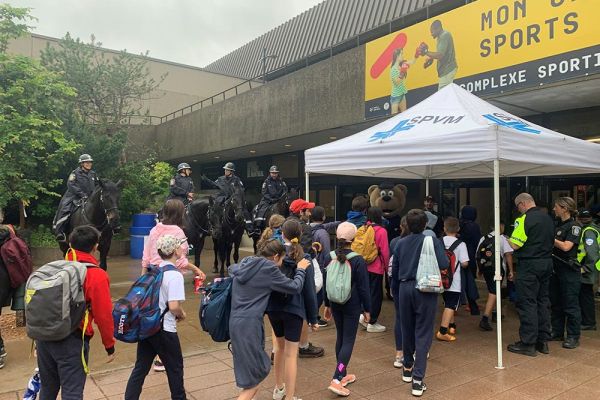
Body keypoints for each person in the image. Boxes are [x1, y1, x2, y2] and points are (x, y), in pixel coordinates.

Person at [37, 226, 115, 399]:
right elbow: (103, 316)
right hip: (72, 340)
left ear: (70, 244)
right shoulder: (97, 275)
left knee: (48, 389)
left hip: (43, 337)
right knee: (72, 392)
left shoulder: (55, 268)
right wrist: (109, 345)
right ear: (96, 246)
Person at [229, 240, 310, 400]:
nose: (280, 265)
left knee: (250, 377)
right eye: (281, 260)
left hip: (235, 323)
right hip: (250, 326)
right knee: (254, 382)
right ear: (275, 257)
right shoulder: (268, 268)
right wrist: (301, 270)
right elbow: (294, 287)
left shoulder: (246, 263)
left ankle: (279, 388)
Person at [141, 199, 205, 372]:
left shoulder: (154, 229)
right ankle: (163, 358)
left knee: (155, 314)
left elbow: (145, 256)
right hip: (169, 275)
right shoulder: (178, 231)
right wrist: (196, 269)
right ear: (179, 213)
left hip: (152, 275)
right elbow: (181, 260)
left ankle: (156, 356)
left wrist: (142, 278)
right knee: (170, 315)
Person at [391, 209, 449, 397]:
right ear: (425, 225)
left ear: (406, 223)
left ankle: (407, 366)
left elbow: (395, 270)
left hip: (404, 288)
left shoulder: (400, 243)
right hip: (426, 289)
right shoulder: (432, 241)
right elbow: (444, 263)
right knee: (423, 333)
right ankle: (418, 380)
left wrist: (395, 292)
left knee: (406, 327)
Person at [124, 235, 188, 400]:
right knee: (175, 369)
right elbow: (173, 306)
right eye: (180, 245)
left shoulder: (155, 271)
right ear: (174, 250)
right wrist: (182, 314)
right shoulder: (175, 275)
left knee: (141, 368)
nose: (183, 247)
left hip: (147, 327)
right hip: (164, 330)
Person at [266, 219, 319, 400]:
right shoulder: (304, 259)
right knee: (291, 354)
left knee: (278, 348)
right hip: (294, 310)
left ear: (282, 234)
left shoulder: (274, 253)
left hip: (273, 309)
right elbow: (309, 292)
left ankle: (278, 388)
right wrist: (313, 318)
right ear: (300, 235)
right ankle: (290, 396)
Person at [322, 222, 371, 396]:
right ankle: (336, 378)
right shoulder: (358, 260)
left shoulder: (329, 256)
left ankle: (342, 373)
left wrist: (326, 304)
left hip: (335, 302)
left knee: (340, 338)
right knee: (348, 342)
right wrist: (367, 309)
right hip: (352, 304)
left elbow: (326, 282)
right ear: (354, 238)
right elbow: (364, 288)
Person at [507, 193, 555, 357]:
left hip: (529, 264)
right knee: (543, 301)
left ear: (522, 204)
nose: (518, 210)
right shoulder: (548, 218)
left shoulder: (522, 219)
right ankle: (543, 341)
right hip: (547, 263)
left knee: (527, 302)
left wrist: (507, 238)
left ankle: (528, 343)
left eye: (518, 206)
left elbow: (515, 245)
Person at [550, 197, 582, 349]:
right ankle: (557, 332)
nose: (554, 209)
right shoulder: (557, 225)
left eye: (556, 207)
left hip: (569, 270)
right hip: (556, 269)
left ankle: (573, 336)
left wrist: (550, 238)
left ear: (564, 208)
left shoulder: (574, 226)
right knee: (556, 302)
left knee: (570, 304)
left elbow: (566, 247)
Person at [476, 222, 514, 332]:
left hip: (486, 269)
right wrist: (511, 270)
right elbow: (508, 255)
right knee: (494, 292)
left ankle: (495, 313)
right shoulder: (502, 238)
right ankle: (485, 318)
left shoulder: (483, 238)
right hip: (497, 269)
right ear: (501, 226)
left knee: (493, 289)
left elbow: (478, 255)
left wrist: (479, 269)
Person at [53, 154, 98, 242]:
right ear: (82, 164)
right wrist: (82, 194)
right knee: (65, 209)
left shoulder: (93, 174)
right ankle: (60, 232)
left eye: (90, 162)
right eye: (87, 162)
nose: (89, 164)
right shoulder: (75, 173)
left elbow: (97, 185)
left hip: (89, 197)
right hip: (73, 196)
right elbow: (71, 185)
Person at [436, 217, 468, 341]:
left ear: (444, 228)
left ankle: (451, 325)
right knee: (451, 304)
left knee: (447, 302)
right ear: (458, 229)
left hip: (439, 279)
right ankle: (443, 331)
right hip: (454, 281)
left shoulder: (438, 241)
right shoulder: (461, 244)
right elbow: (465, 263)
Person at [359, 207, 389, 333]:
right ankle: (372, 322)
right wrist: (387, 268)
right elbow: (385, 252)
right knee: (376, 295)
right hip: (376, 267)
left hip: (362, 266)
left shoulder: (363, 228)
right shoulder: (381, 231)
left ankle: (363, 316)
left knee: (365, 292)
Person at [310, 206, 341, 327]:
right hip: (321, 266)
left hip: (310, 263)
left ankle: (311, 315)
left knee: (312, 289)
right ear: (323, 217)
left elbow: (327, 225)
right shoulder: (322, 233)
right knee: (320, 293)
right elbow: (327, 253)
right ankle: (314, 317)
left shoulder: (308, 227)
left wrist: (340, 222)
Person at [389, 215, 410, 368]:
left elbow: (392, 266)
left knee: (400, 318)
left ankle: (399, 353)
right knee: (416, 318)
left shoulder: (395, 242)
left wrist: (392, 285)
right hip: (416, 285)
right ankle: (413, 351)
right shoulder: (424, 241)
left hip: (398, 284)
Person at [577, 209, 599, 331]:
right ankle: (587, 320)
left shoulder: (589, 231)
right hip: (591, 267)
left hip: (588, 268)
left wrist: (586, 268)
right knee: (586, 294)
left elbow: (592, 252)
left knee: (585, 295)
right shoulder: (593, 228)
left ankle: (589, 322)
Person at [419, 20, 457, 90]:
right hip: (445, 72)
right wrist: (431, 58)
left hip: (448, 70)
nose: (431, 34)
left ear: (438, 28)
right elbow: (441, 54)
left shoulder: (444, 36)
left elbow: (440, 55)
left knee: (443, 97)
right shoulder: (440, 37)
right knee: (444, 96)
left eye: (432, 31)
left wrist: (425, 52)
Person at [459, 205, 482, 315]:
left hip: (459, 255)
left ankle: (453, 305)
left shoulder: (460, 224)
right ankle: (473, 305)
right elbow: (478, 242)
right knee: (470, 281)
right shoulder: (474, 226)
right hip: (471, 256)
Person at [389, 48, 414, 114]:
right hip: (396, 96)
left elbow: (412, 62)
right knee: (393, 117)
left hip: (402, 94)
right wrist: (402, 72)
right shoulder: (393, 69)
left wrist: (416, 55)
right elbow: (396, 82)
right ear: (397, 56)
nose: (403, 55)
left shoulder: (402, 65)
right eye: (401, 54)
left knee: (404, 114)